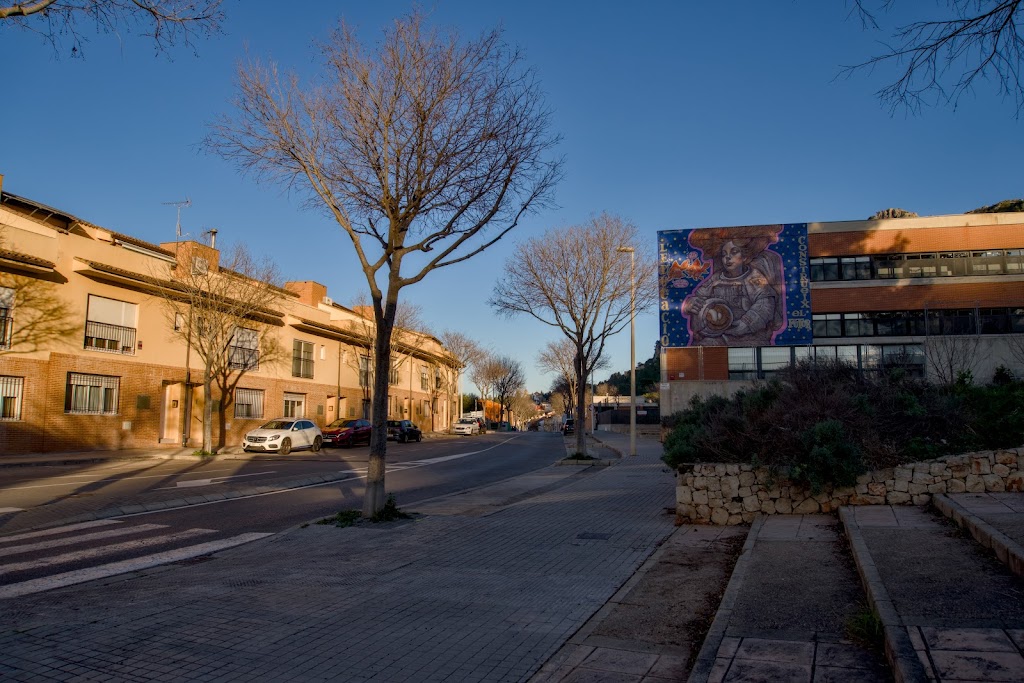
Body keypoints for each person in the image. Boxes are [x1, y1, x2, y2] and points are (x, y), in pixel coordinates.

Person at [681, 226, 785, 346]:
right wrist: (692, 304)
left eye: (734, 252)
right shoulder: (716, 278)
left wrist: (746, 323)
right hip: (720, 334)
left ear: (745, 257)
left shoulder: (753, 277)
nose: (727, 258)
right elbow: (699, 296)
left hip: (749, 336)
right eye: (724, 254)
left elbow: (765, 303)